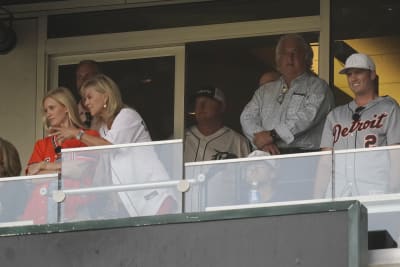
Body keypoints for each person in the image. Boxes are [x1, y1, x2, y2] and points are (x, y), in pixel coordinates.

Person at [52, 74, 177, 217]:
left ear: (105, 97)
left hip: (155, 196)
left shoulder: (127, 115)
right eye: (85, 98)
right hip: (131, 202)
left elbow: (109, 146)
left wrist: (77, 133)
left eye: (89, 97)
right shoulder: (102, 127)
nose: (86, 103)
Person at [315, 53, 400, 197]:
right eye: (349, 74)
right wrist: (317, 199)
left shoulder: (389, 108)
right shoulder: (335, 115)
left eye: (358, 72)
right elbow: (325, 162)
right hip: (338, 194)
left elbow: (396, 156)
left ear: (372, 74)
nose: (353, 78)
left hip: (375, 191)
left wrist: (393, 194)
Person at [240, 34, 334, 155]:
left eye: (295, 53)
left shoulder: (318, 87)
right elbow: (247, 117)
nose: (289, 57)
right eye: (284, 53)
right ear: (278, 59)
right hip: (268, 155)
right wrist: (263, 141)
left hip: (304, 157)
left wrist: (273, 135)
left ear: (306, 57)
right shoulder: (265, 90)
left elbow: (307, 117)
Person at [22, 87, 100, 224]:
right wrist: (66, 169)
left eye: (52, 108)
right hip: (42, 212)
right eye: (46, 111)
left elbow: (80, 171)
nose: (48, 114)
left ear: (66, 108)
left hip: (78, 211)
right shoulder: (42, 144)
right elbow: (32, 178)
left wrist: (44, 166)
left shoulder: (88, 137)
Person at [184, 86, 251, 162]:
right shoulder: (179, 138)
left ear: (222, 107)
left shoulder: (239, 142)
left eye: (207, 102)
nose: (200, 106)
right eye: (197, 103)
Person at [75, 60, 101, 129]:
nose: (83, 80)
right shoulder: (70, 114)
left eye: (87, 76)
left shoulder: (109, 113)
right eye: (79, 77)